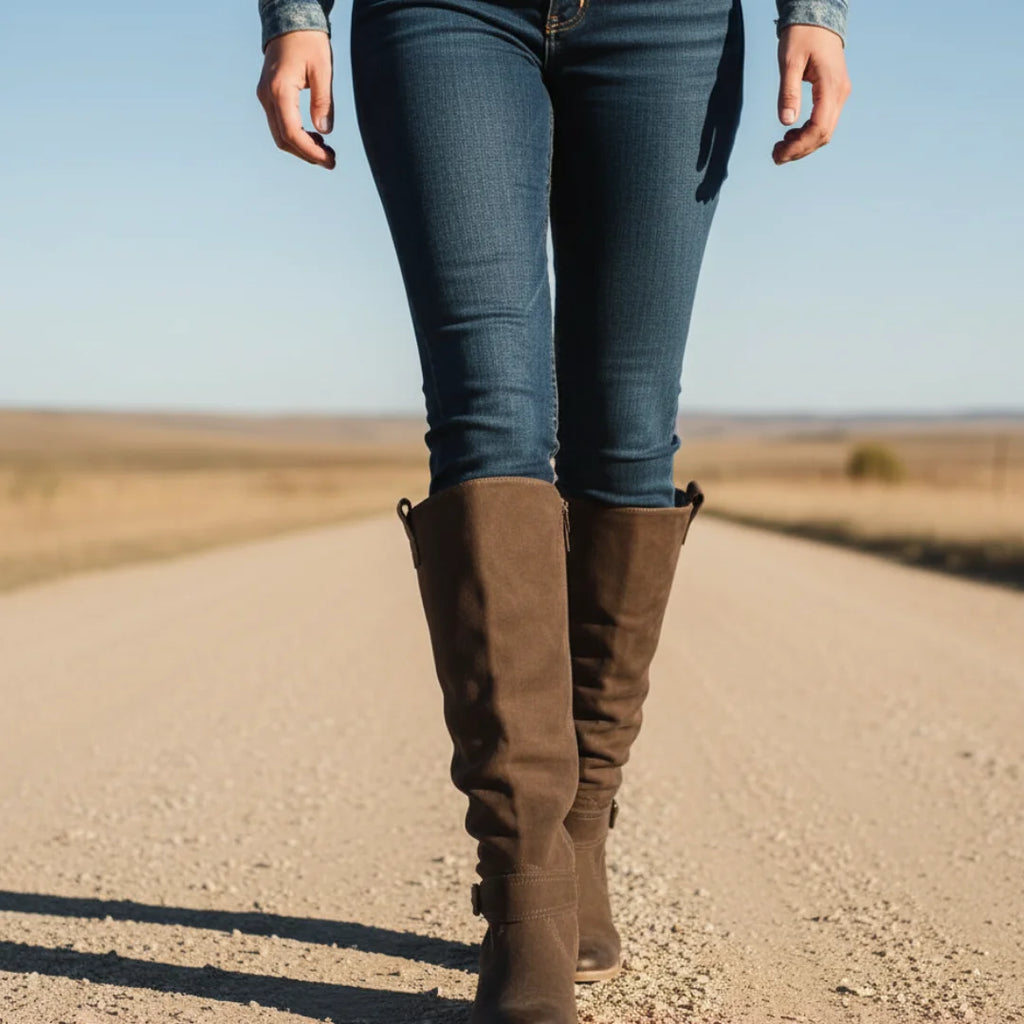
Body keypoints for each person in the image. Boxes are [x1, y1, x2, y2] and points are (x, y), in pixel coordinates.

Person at [256, 0, 850, 1020]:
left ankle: (578, 827)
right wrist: (294, 15)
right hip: (438, 17)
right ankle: (526, 887)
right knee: (488, 413)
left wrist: (818, 11)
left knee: (626, 428)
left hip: (672, 25)